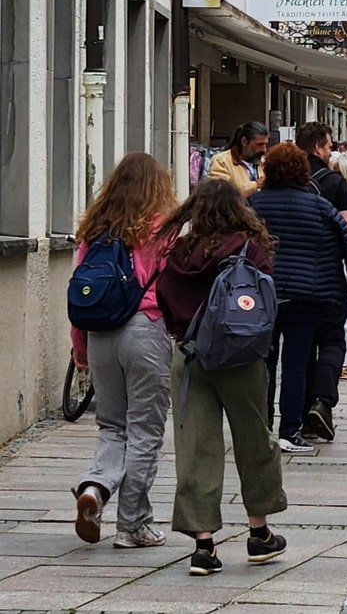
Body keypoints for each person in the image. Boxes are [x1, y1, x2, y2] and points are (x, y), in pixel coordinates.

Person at [155, 180, 287, 577]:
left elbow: (163, 300)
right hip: (240, 359)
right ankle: (259, 533)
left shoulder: (177, 252)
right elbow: (265, 302)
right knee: (254, 440)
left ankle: (204, 546)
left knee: (195, 446)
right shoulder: (250, 249)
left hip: (190, 357)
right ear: (237, 209)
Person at [70, 153, 176, 548]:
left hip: (101, 334)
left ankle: (95, 489)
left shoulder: (95, 230)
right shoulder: (162, 227)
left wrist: (80, 348)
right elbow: (172, 286)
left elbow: (81, 292)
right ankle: (133, 525)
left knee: (111, 425)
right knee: (145, 430)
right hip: (145, 330)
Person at [248, 143, 347, 452]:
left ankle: (260, 426)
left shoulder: (254, 204)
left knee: (264, 361)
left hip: (263, 293)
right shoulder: (320, 206)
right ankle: (290, 429)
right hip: (307, 295)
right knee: (297, 362)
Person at [207, 122, 268, 195]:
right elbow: (220, 193)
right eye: (259, 144)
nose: (264, 149)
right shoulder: (222, 161)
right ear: (244, 141)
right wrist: (256, 185)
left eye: (265, 144)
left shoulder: (263, 161)